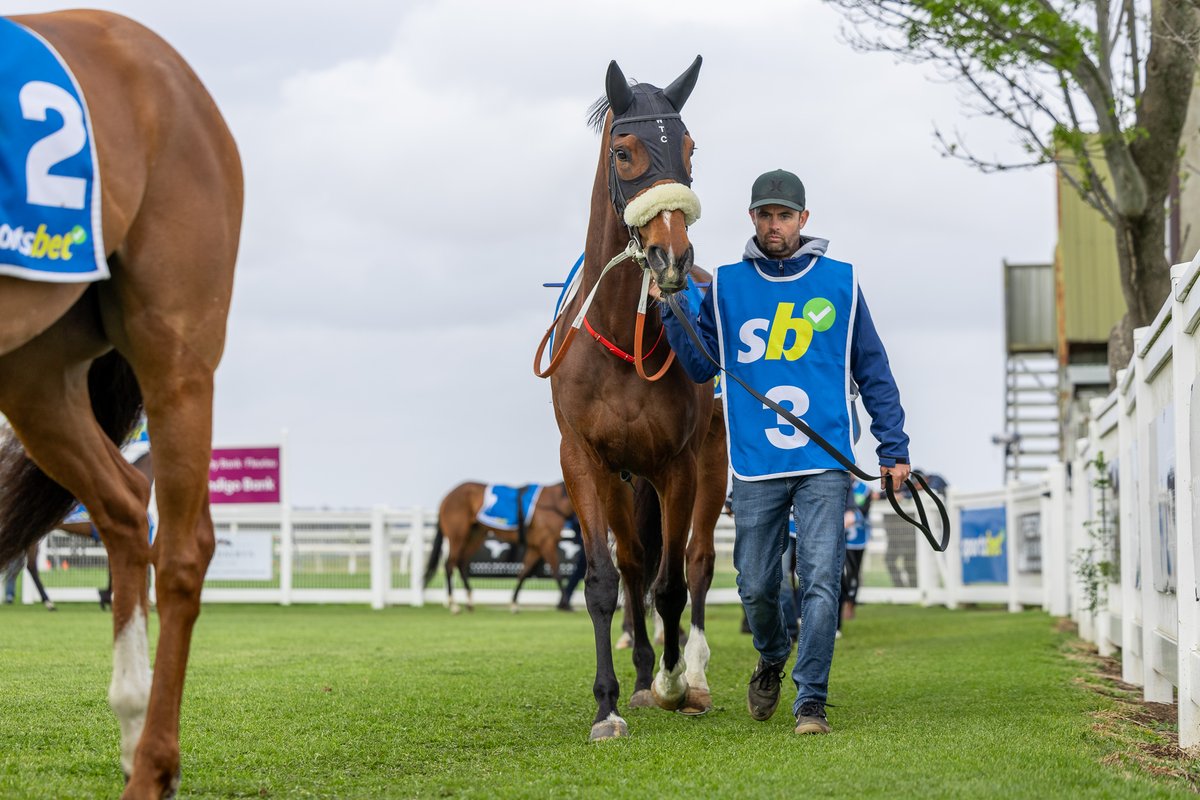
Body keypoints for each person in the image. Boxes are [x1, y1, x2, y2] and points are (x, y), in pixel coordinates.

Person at [654, 168, 911, 735]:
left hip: (825, 463)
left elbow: (873, 370)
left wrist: (894, 449)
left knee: (821, 579)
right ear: (752, 218)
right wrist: (673, 310)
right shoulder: (724, 285)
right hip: (755, 462)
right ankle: (772, 655)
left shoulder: (842, 282)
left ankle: (811, 701)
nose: (775, 226)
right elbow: (699, 367)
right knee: (755, 584)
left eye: (785, 216)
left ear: (803, 220)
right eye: (765, 215)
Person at [838, 479, 873, 635]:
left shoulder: (864, 489)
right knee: (841, 573)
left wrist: (851, 516)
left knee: (853, 572)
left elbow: (863, 509)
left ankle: (851, 604)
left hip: (858, 537)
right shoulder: (838, 483)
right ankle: (845, 601)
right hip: (841, 537)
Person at [556, 514, 586, 611]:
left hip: (587, 543)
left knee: (578, 573)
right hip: (587, 544)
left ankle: (565, 599)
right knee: (579, 573)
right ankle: (565, 599)